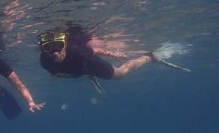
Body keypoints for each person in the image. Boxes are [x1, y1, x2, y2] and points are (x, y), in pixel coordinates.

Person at [38, 23, 189, 88]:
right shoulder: (44, 60)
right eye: (48, 48)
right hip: (78, 70)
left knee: (120, 74)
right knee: (79, 72)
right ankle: (88, 74)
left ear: (64, 44)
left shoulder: (78, 51)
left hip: (88, 64)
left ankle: (149, 57)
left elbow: (96, 51)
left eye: (58, 46)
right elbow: (54, 73)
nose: (55, 52)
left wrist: (114, 54)